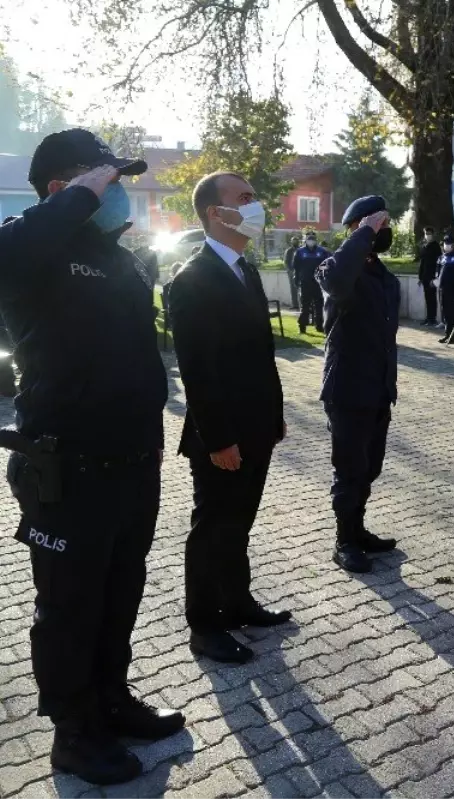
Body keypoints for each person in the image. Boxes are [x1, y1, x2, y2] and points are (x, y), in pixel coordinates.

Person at [0, 130, 183, 785]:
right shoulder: (28, 244)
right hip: (66, 469)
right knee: (69, 607)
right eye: (103, 176)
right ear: (62, 186)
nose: (117, 188)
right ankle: (73, 732)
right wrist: (79, 196)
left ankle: (113, 696)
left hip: (132, 461)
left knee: (120, 591)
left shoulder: (117, 259)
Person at [169, 171, 290, 666]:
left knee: (240, 523)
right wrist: (217, 438)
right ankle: (205, 625)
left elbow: (262, 353)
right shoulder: (192, 279)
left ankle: (237, 602)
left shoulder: (246, 269)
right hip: (220, 436)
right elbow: (197, 369)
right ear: (216, 213)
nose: (255, 205)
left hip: (256, 425)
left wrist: (275, 413)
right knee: (213, 528)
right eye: (244, 198)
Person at [316, 196, 401, 573]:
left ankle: (358, 528)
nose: (383, 232)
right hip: (347, 390)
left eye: (384, 225)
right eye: (374, 226)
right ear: (355, 231)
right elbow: (336, 280)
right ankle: (344, 540)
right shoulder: (335, 271)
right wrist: (364, 231)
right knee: (349, 470)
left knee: (370, 467)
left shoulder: (386, 278)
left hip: (378, 389)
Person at [293, 234, 330, 335]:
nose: (311, 241)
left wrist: (321, 274)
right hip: (305, 282)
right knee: (305, 305)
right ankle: (302, 326)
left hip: (318, 282)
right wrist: (296, 279)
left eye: (313, 240)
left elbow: (326, 264)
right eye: (309, 240)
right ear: (305, 241)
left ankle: (319, 326)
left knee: (319, 305)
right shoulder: (300, 252)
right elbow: (296, 267)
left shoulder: (321, 251)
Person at [437, 235, 454, 345]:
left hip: (453, 290)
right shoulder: (443, 257)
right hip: (443, 289)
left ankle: (453, 336)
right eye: (445, 243)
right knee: (445, 313)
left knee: (452, 313)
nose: (446, 245)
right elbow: (438, 270)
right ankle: (447, 334)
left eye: (448, 243)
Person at [418, 227, 440, 326]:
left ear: (433, 234)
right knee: (427, 297)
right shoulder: (424, 246)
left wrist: (436, 276)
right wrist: (420, 277)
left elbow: (438, 262)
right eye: (426, 233)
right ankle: (428, 317)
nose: (428, 235)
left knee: (432, 297)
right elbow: (422, 263)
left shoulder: (435, 246)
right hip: (425, 276)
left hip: (432, 276)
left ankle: (432, 318)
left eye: (429, 233)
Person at [283, 236, 300, 309]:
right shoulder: (289, 251)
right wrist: (290, 271)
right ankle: (295, 305)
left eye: (296, 240)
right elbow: (286, 262)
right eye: (293, 240)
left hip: (300, 272)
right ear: (291, 242)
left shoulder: (301, 250)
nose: (295, 242)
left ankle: (302, 305)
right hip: (291, 272)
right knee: (293, 288)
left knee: (301, 289)